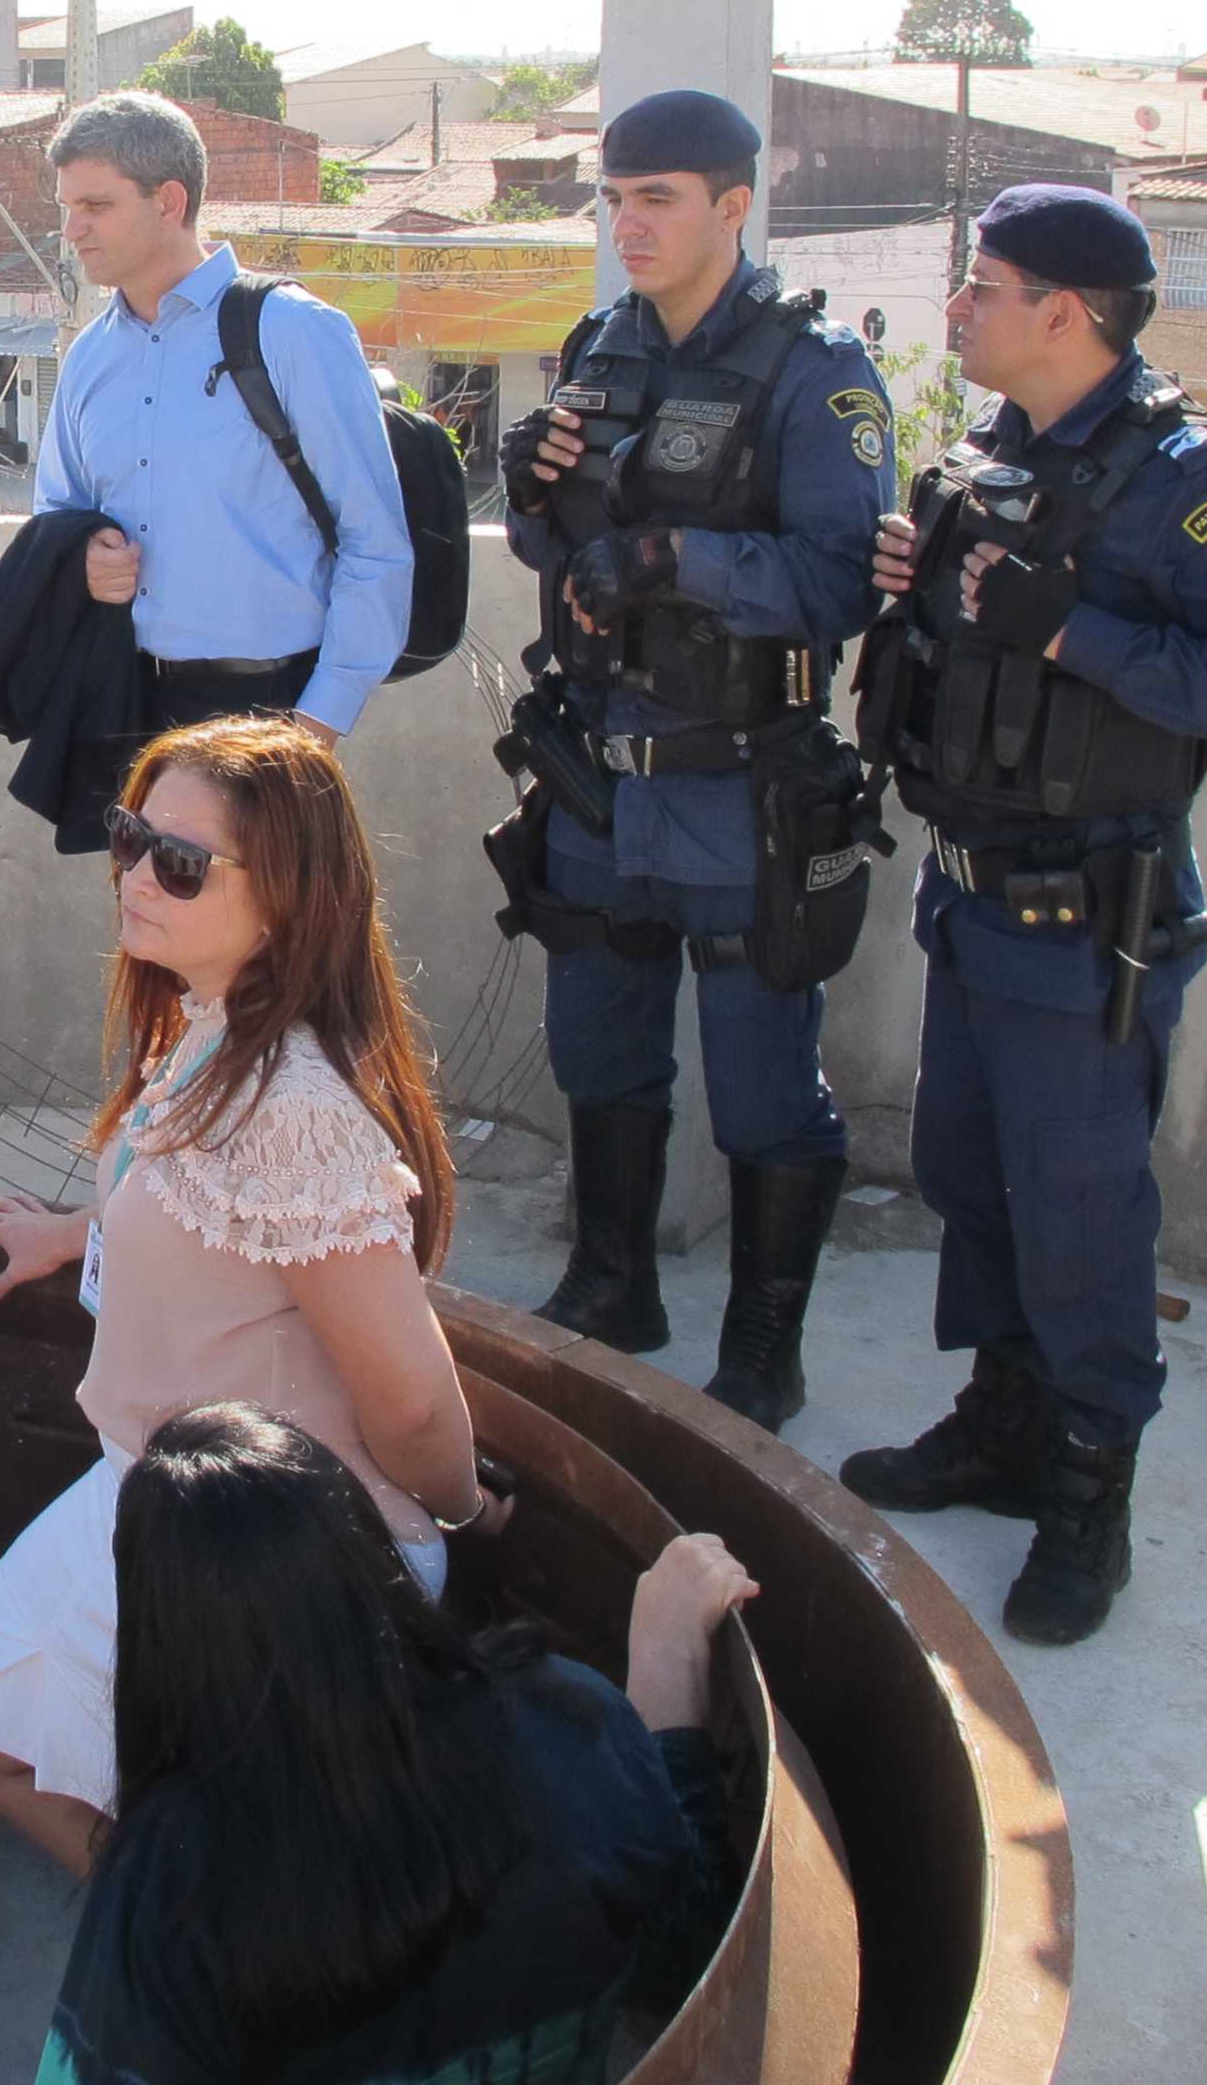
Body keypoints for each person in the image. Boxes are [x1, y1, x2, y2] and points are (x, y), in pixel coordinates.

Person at [843, 184, 1207, 1646]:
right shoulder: (995, 451)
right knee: (971, 1175)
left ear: (1067, 310)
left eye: (982, 287)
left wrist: (1066, 626)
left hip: (1087, 921)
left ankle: (1088, 1492)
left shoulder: (1195, 478)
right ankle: (1004, 1423)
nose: (959, 310)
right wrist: (916, 590)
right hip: (968, 895)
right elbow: (967, 648)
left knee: (1081, 1215)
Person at [0, 715, 495, 1868]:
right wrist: (89, 1234)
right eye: (129, 837)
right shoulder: (213, 1030)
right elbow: (210, 1214)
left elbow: (417, 1410)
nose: (134, 875)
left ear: (285, 898)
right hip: (172, 1504)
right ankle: (179, 1937)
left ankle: (177, 1949)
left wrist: (473, 1518)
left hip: (271, 1555)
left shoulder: (290, 1109)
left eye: (177, 862)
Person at [489, 89, 887, 1433]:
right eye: (614, 197)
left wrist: (675, 557)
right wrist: (535, 496)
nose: (629, 223)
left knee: (767, 1081)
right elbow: (552, 546)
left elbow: (843, 582)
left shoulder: (814, 372)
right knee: (599, 1050)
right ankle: (613, 1287)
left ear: (735, 204)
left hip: (738, 783)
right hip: (603, 774)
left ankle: (764, 1351)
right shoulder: (600, 350)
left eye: (657, 197)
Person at [40, 1404, 744, 2085]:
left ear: (158, 1634)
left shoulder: (167, 1890)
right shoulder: (567, 1723)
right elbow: (686, 1939)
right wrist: (667, 1657)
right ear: (363, 1548)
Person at [34, 91, 414, 770]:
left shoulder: (296, 332)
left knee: (262, 884)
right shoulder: (89, 356)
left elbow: (376, 544)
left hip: (270, 710)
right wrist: (84, 554)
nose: (72, 230)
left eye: (95, 206)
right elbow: (55, 515)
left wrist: (313, 725)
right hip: (125, 705)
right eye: (67, 207)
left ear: (168, 201)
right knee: (145, 883)